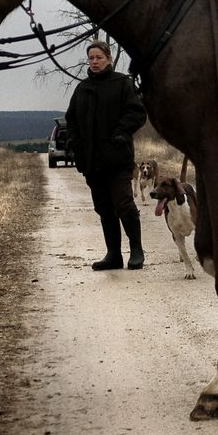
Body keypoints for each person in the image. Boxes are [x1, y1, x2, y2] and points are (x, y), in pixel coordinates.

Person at [66, 40, 148, 271]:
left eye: (98, 57)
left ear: (109, 59)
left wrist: (121, 134)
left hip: (118, 158)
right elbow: (71, 120)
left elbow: (137, 113)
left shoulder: (122, 84)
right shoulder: (82, 89)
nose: (94, 62)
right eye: (90, 58)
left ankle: (136, 251)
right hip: (92, 161)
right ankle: (113, 255)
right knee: (103, 207)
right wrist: (75, 145)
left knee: (124, 203)